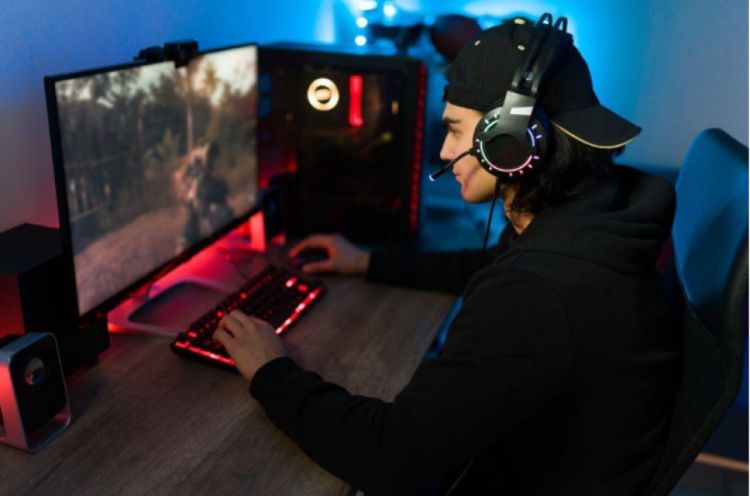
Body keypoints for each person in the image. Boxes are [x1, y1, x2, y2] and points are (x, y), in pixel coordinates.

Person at [213, 16, 680, 495]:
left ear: (508, 141)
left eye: (455, 130)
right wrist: (368, 261)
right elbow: (488, 264)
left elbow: (389, 456)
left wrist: (271, 371)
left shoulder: (539, 291)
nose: (443, 150)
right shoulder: (588, 218)